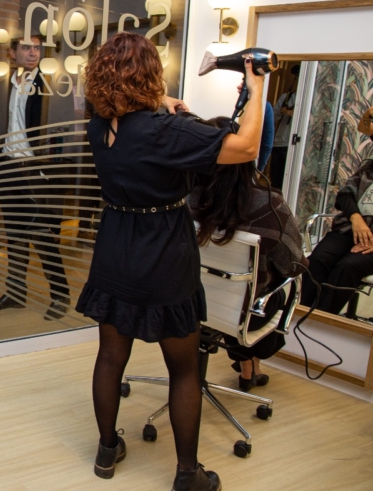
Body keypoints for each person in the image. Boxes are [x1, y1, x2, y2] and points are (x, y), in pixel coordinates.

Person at [75, 32, 265, 490]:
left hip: (116, 245)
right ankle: (187, 474)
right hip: (164, 250)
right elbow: (246, 147)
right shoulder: (166, 132)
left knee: (110, 357)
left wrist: (161, 102)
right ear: (150, 75)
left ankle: (106, 451)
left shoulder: (98, 126)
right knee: (183, 369)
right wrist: (257, 86)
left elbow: (132, 113)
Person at [187, 114, 308, 392]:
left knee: (233, 283)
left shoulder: (186, 201)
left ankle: (247, 367)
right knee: (263, 288)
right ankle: (250, 365)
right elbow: (293, 265)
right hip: (244, 313)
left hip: (191, 303)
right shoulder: (269, 206)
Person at [0, 35, 71, 319]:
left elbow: (58, 128)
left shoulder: (49, 85)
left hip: (34, 169)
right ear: (12, 53)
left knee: (42, 234)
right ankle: (15, 293)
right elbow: (0, 124)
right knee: (15, 234)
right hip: (8, 166)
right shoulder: (4, 83)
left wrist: (46, 168)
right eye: (26, 48)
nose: (33, 53)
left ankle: (60, 295)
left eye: (37, 48)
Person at [300, 126, 373, 315]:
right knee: (318, 259)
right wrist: (356, 218)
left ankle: (321, 320)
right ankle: (300, 313)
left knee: (347, 267)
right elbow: (345, 195)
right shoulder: (369, 169)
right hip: (348, 231)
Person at [269, 64, 300, 188]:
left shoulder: (310, 101)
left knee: (289, 183)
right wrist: (282, 111)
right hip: (279, 143)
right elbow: (272, 118)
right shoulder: (286, 97)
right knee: (275, 180)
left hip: (295, 146)